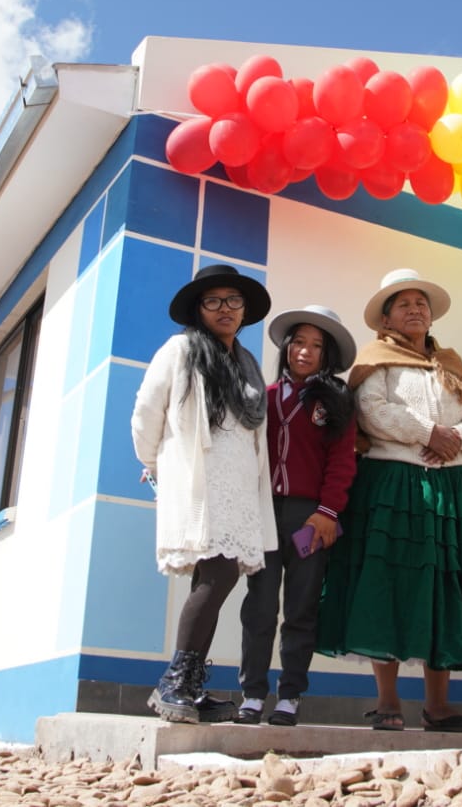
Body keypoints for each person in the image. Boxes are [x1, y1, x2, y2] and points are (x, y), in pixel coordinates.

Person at [316, 269, 462, 733]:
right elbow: (371, 411)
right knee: (389, 585)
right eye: (404, 304)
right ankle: (388, 702)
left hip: (456, 486)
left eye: (421, 303)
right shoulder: (376, 360)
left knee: (446, 588)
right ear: (386, 319)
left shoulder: (450, 363)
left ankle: (438, 707)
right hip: (393, 484)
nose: (415, 309)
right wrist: (428, 433)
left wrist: (455, 438)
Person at [132, 263, 278, 724]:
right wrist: (154, 464)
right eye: (213, 301)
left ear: (244, 310)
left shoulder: (246, 363)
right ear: (199, 309)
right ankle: (175, 683)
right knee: (218, 576)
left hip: (238, 484)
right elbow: (146, 410)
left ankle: (189, 685)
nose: (225, 309)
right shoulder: (180, 349)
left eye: (233, 300)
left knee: (216, 578)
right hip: (199, 480)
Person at [235, 304, 358, 728]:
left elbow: (342, 462)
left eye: (316, 346)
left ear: (328, 355)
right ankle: (252, 693)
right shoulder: (263, 396)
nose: (305, 351)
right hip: (264, 514)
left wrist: (327, 512)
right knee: (259, 606)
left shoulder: (337, 402)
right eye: (299, 342)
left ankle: (290, 696)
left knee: (302, 608)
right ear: (287, 347)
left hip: (311, 519)